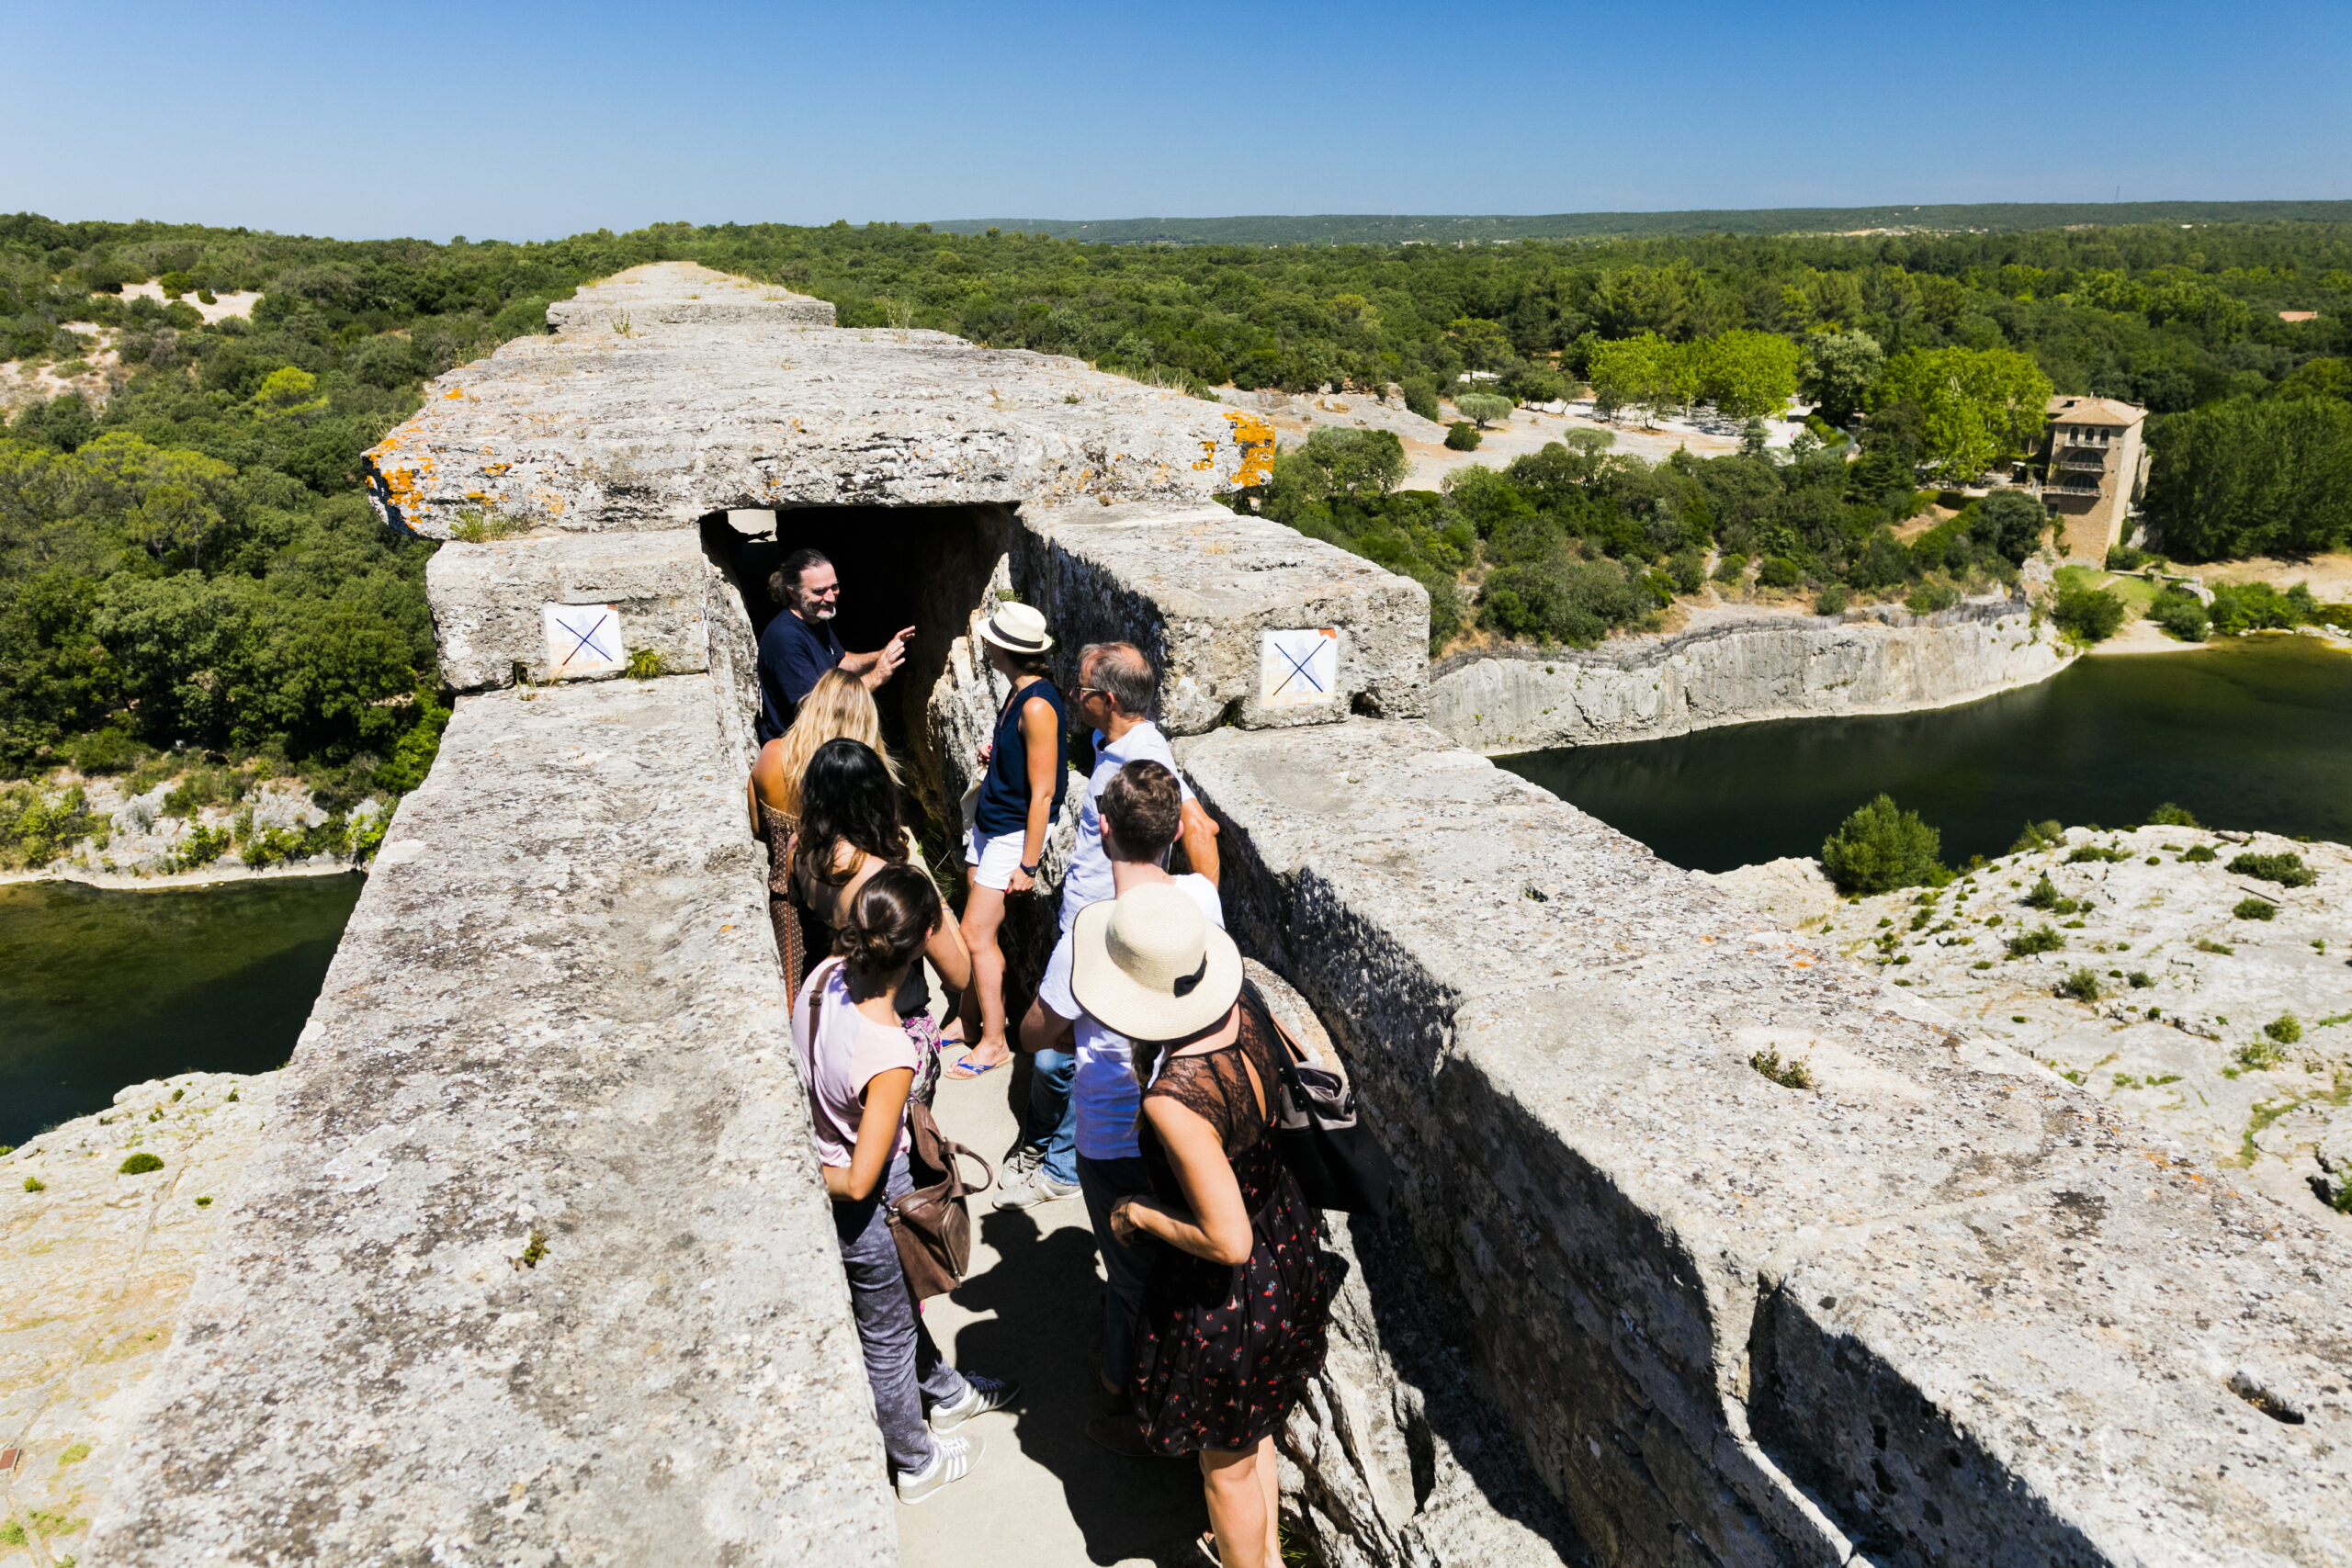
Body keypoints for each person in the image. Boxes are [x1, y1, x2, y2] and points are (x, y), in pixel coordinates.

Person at [1077, 884, 1343, 1568]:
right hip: (1286, 1245)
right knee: (1254, 1434)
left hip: (1231, 1294)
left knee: (1222, 1469)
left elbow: (1228, 1239)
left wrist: (1140, 1212)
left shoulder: (1177, 1099)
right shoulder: (1245, 1004)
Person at [794, 864, 1017, 1503]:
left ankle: (944, 1394)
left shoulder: (820, 979)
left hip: (829, 1143)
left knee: (894, 1310)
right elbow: (861, 1176)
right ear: (921, 940)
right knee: (886, 1336)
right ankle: (916, 1461)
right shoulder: (889, 1050)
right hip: (865, 1201)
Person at [1018, 764, 1225, 1432]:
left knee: (1131, 1279)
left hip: (1111, 1133)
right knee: (1186, 1271)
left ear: (1102, 826)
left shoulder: (1089, 934)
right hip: (1193, 1119)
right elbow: (1206, 865)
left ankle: (1119, 1390)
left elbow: (1034, 1034)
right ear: (1172, 832)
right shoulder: (1202, 902)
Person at [998, 644, 1224, 1201]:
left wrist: (1195, 906)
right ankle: (1050, 1147)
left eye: (1082, 690)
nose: (1074, 696)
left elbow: (1199, 828)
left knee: (1073, 1054)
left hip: (1111, 933)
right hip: (1086, 919)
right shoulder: (1112, 741)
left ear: (1110, 700)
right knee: (1070, 1051)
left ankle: (1061, 1170)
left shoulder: (1143, 758)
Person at [789, 738, 973, 1098]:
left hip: (831, 1019)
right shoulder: (889, 884)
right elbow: (960, 975)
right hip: (891, 1035)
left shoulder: (800, 850)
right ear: (878, 798)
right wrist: (932, 895)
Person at [945, 603, 1068, 1079]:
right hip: (992, 822)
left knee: (975, 934)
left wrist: (1029, 865)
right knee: (976, 929)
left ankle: (994, 1042)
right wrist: (997, 755)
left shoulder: (1036, 704)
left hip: (1013, 833)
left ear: (1003, 649)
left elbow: (1044, 793)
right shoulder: (1019, 694)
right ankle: (968, 1019)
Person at [756, 547, 915, 743]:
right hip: (797, 749)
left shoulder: (815, 617)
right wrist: (876, 677)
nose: (831, 597)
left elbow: (839, 661)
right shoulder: (785, 639)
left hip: (825, 740)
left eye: (834, 587)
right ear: (793, 593)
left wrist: (882, 654)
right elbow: (817, 707)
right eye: (819, 591)